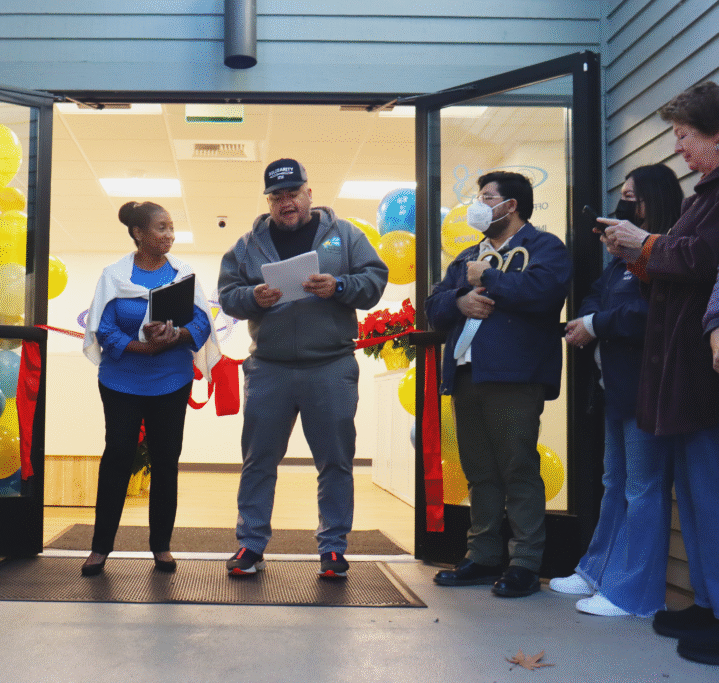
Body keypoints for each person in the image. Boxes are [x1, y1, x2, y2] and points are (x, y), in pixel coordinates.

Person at [218, 159, 388, 579]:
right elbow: (227, 294)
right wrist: (252, 297)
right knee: (258, 461)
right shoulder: (246, 246)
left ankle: (333, 548)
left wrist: (341, 286)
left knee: (335, 461)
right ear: (269, 203)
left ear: (310, 194)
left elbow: (375, 280)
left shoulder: (345, 235)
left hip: (330, 366)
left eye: (293, 193)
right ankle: (250, 545)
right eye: (277, 197)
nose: (286, 203)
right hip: (269, 369)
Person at [601, 81, 719, 667]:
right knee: (695, 499)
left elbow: (700, 261)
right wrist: (638, 253)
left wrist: (648, 242)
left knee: (711, 494)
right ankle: (705, 602)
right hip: (682, 371)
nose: (679, 147)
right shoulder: (703, 195)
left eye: (685, 135)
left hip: (704, 372)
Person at [426, 171, 571, 598]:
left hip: (515, 377)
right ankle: (483, 554)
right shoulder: (468, 255)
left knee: (518, 468)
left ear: (512, 205)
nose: (478, 204)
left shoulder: (545, 247)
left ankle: (526, 562)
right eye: (478, 196)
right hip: (468, 373)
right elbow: (435, 305)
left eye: (487, 197)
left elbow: (545, 292)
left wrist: (487, 279)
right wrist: (459, 300)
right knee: (480, 472)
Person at [551, 164, 683, 617]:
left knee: (644, 489)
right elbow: (595, 296)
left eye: (633, 197)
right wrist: (589, 318)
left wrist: (595, 323)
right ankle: (598, 571)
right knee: (616, 483)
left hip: (648, 390)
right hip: (615, 389)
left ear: (653, 201)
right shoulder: (620, 263)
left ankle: (635, 595)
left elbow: (647, 317)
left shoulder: (662, 254)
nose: (624, 204)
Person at [80, 201, 220, 576]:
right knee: (118, 458)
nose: (169, 235)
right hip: (121, 381)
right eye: (161, 228)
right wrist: (141, 345)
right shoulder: (114, 275)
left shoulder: (183, 273)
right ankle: (99, 548)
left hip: (171, 380)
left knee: (165, 462)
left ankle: (161, 546)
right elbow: (104, 327)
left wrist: (176, 336)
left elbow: (203, 324)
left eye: (172, 228)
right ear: (138, 233)